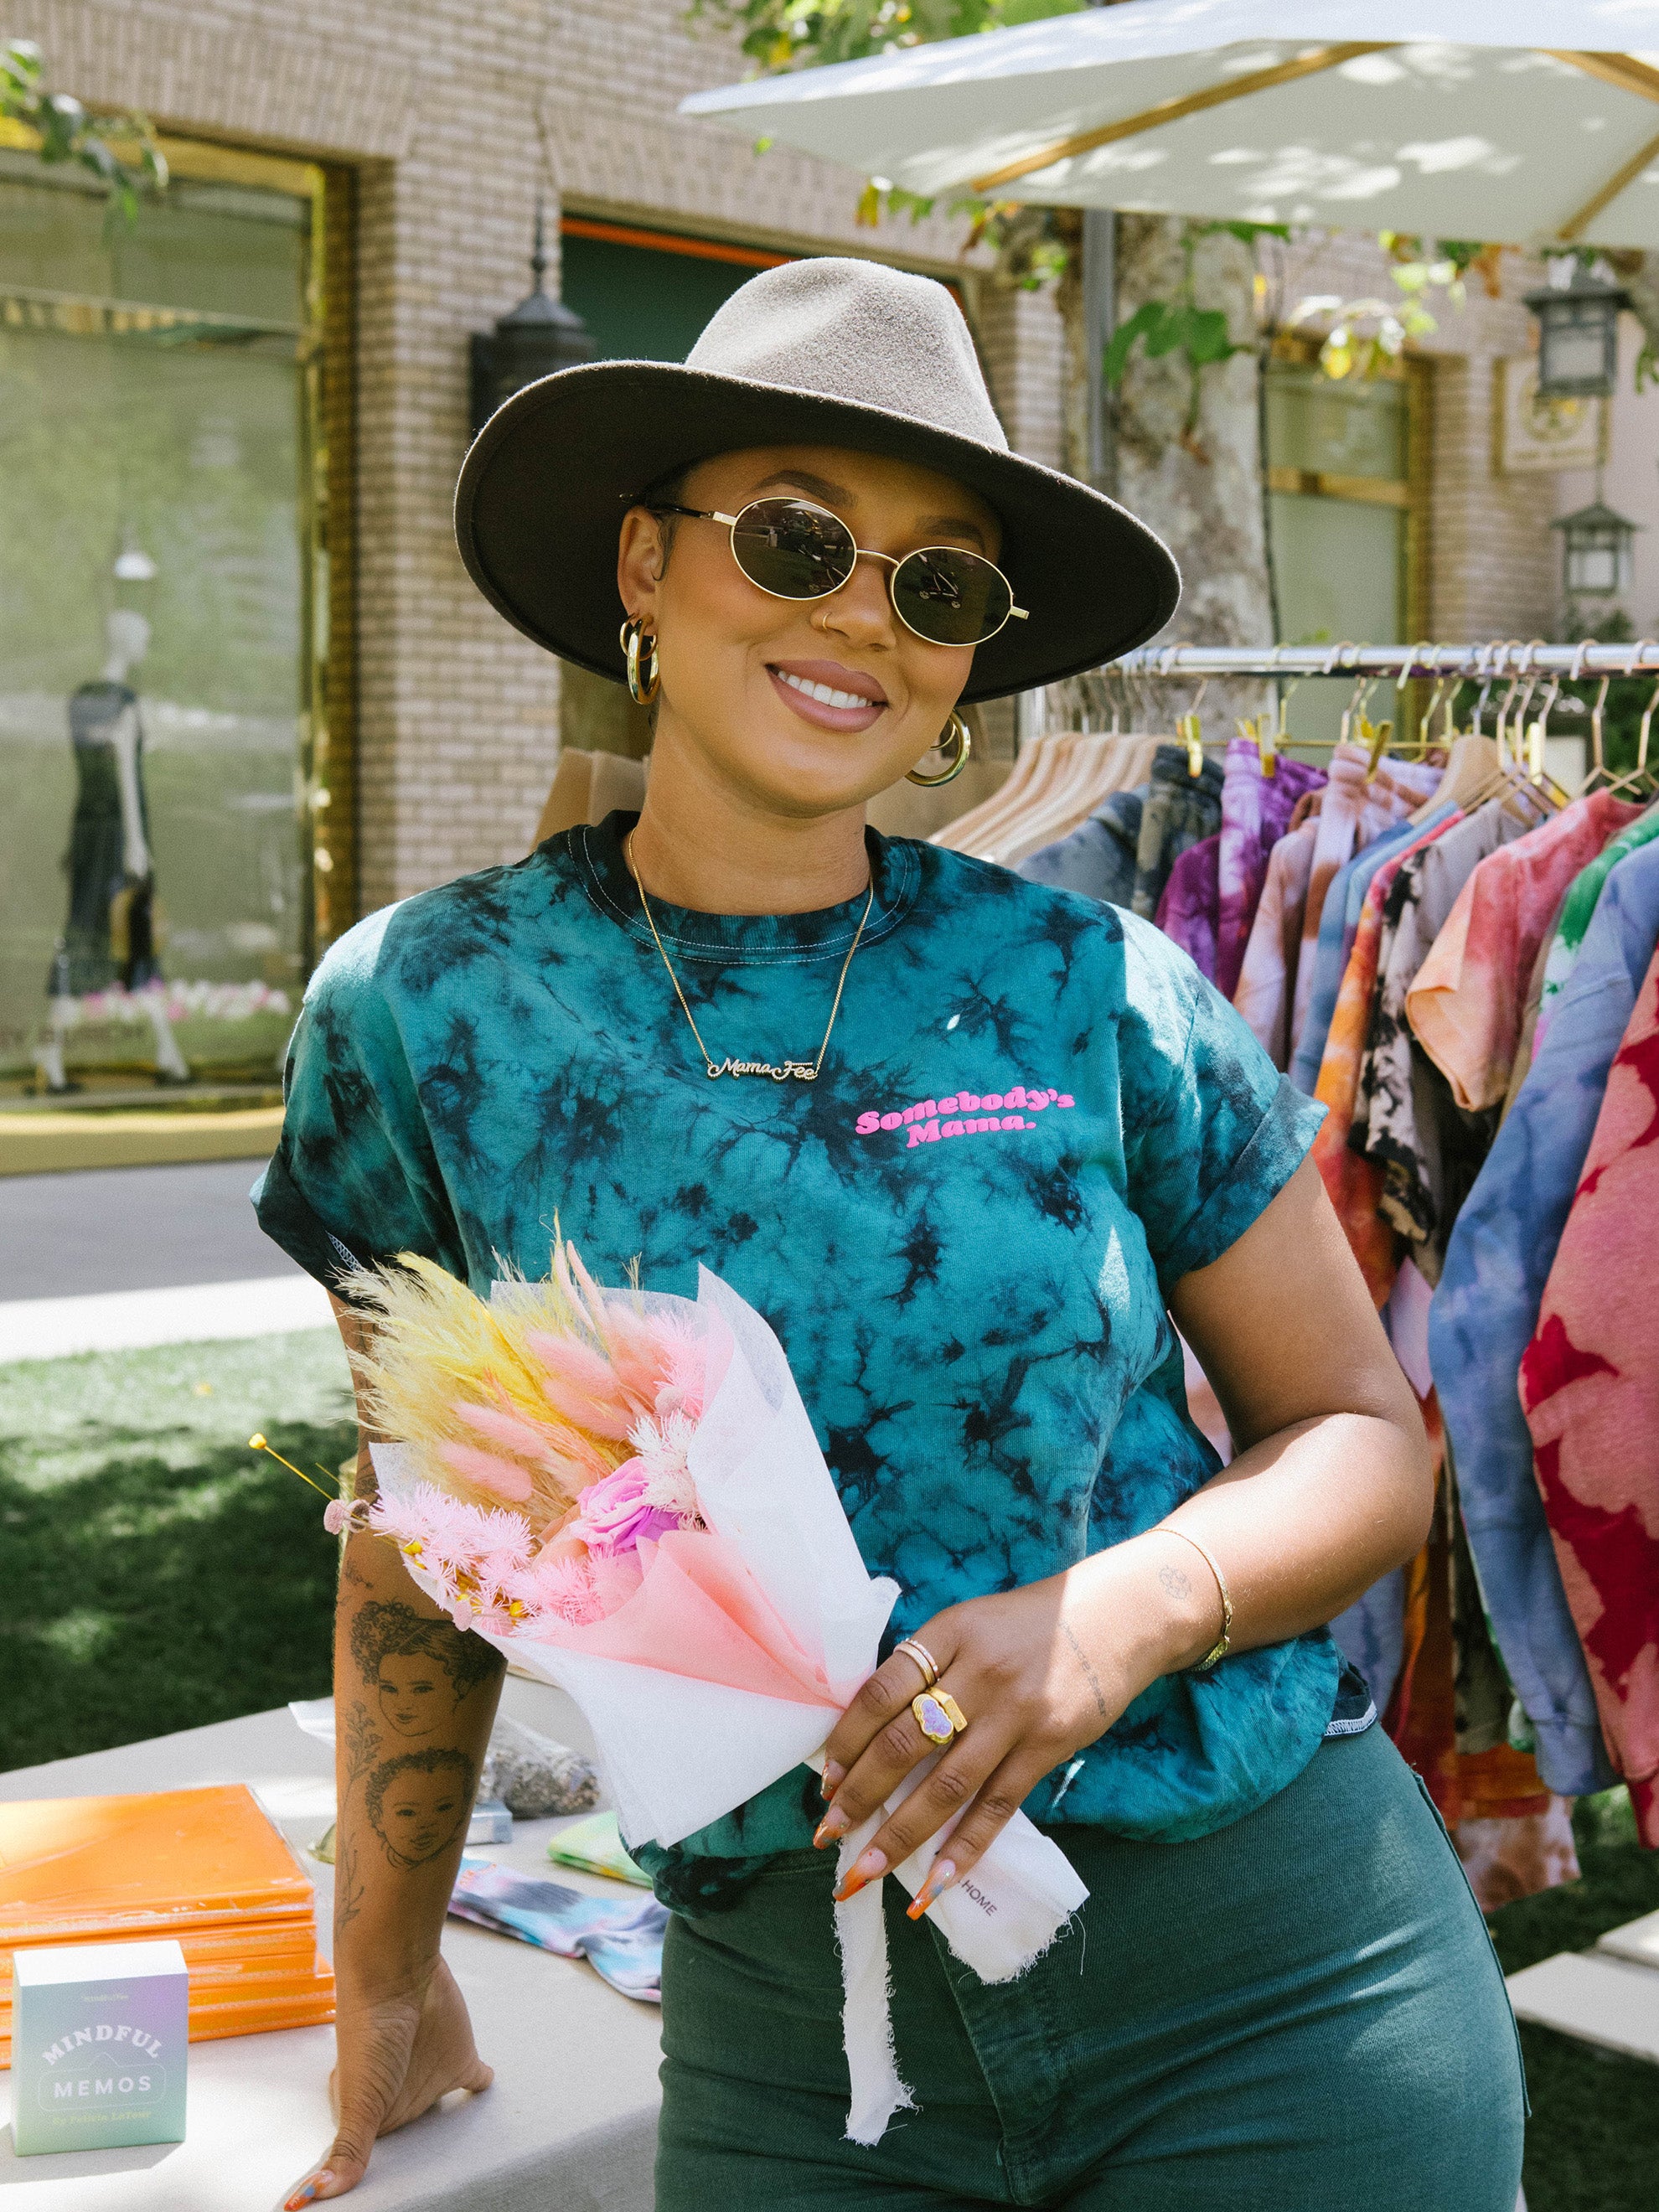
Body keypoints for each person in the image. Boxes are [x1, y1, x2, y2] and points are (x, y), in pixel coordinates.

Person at [259, 259, 1524, 2211]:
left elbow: (1363, 1435)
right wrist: (391, 1970)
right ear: (644, 565)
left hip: (1274, 1979)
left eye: (939, 581)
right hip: (797, 2028)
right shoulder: (427, 1012)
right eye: (796, 537)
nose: (868, 611)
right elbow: (427, 1533)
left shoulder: (1090, 977)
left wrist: (1126, 1615)